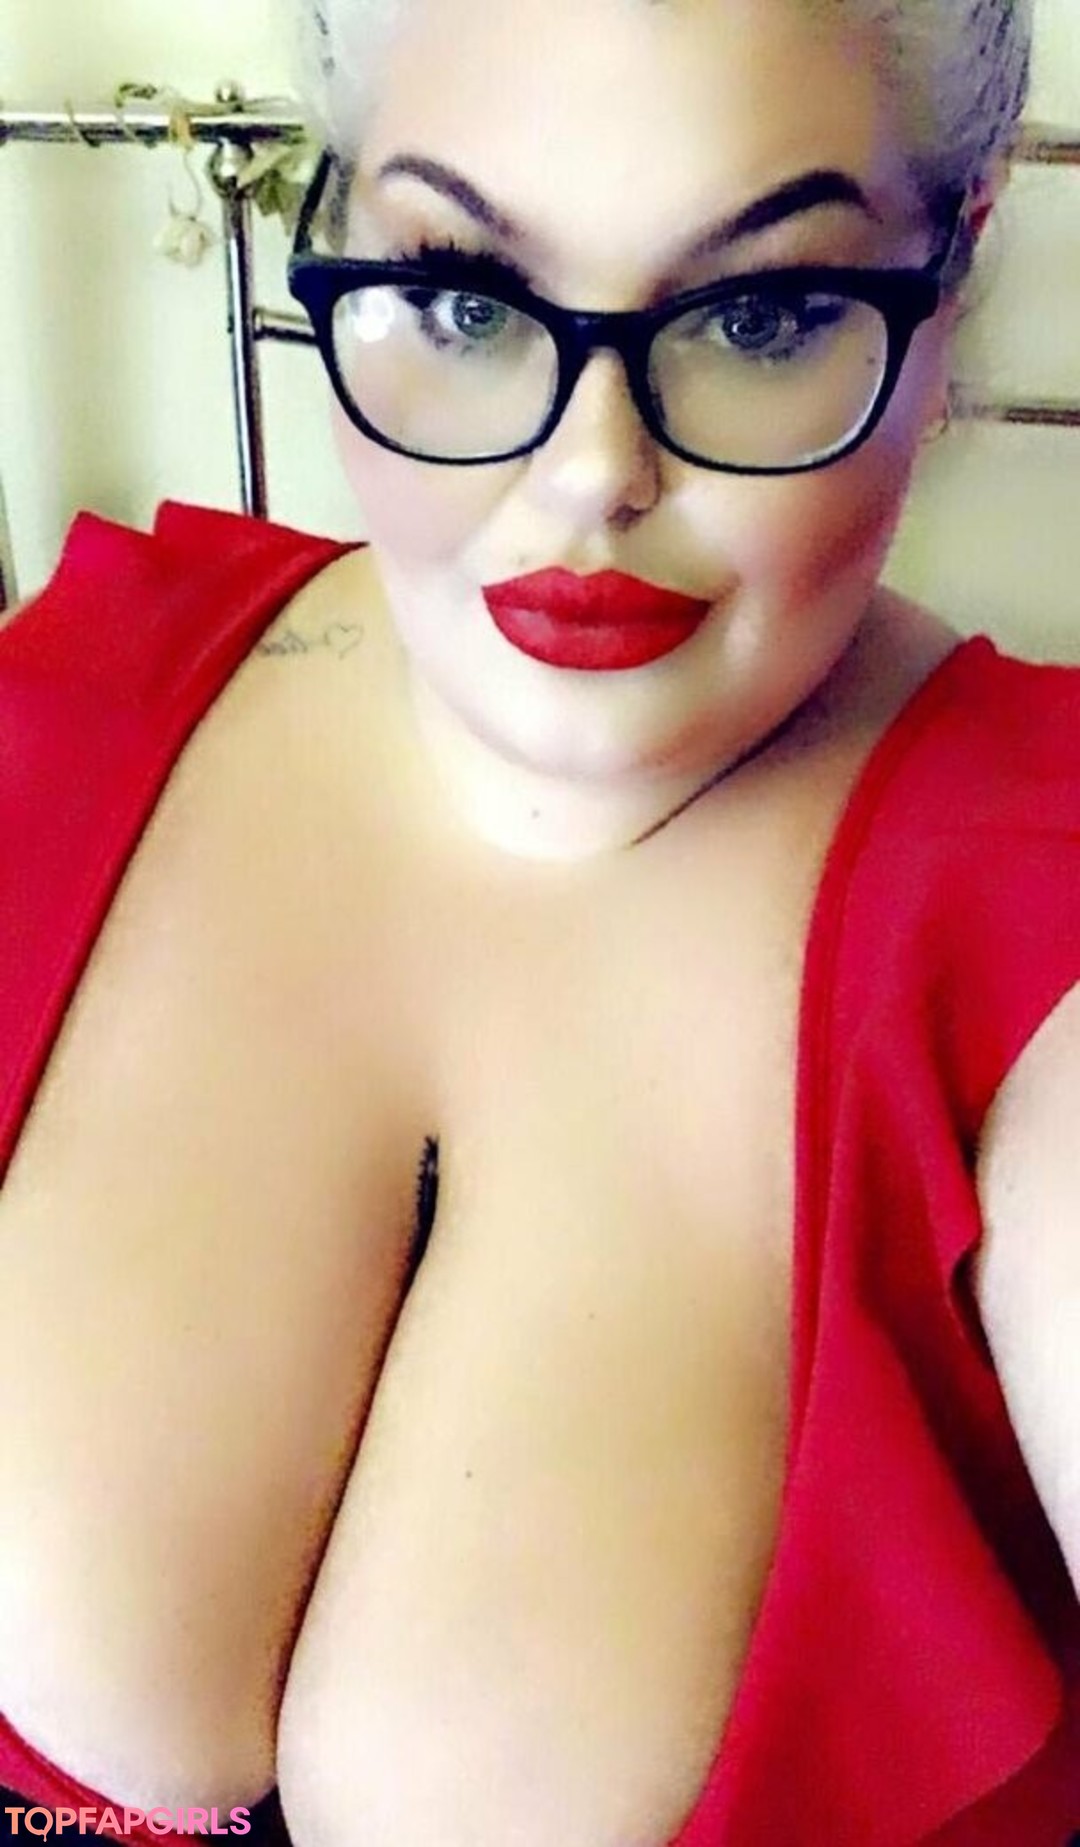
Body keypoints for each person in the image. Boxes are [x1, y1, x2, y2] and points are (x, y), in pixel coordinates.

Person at [0, 0, 1078, 1842]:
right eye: (465, 295)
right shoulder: (61, 706)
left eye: (759, 317)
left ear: (951, 273)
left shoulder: (1041, 918)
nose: (590, 474)